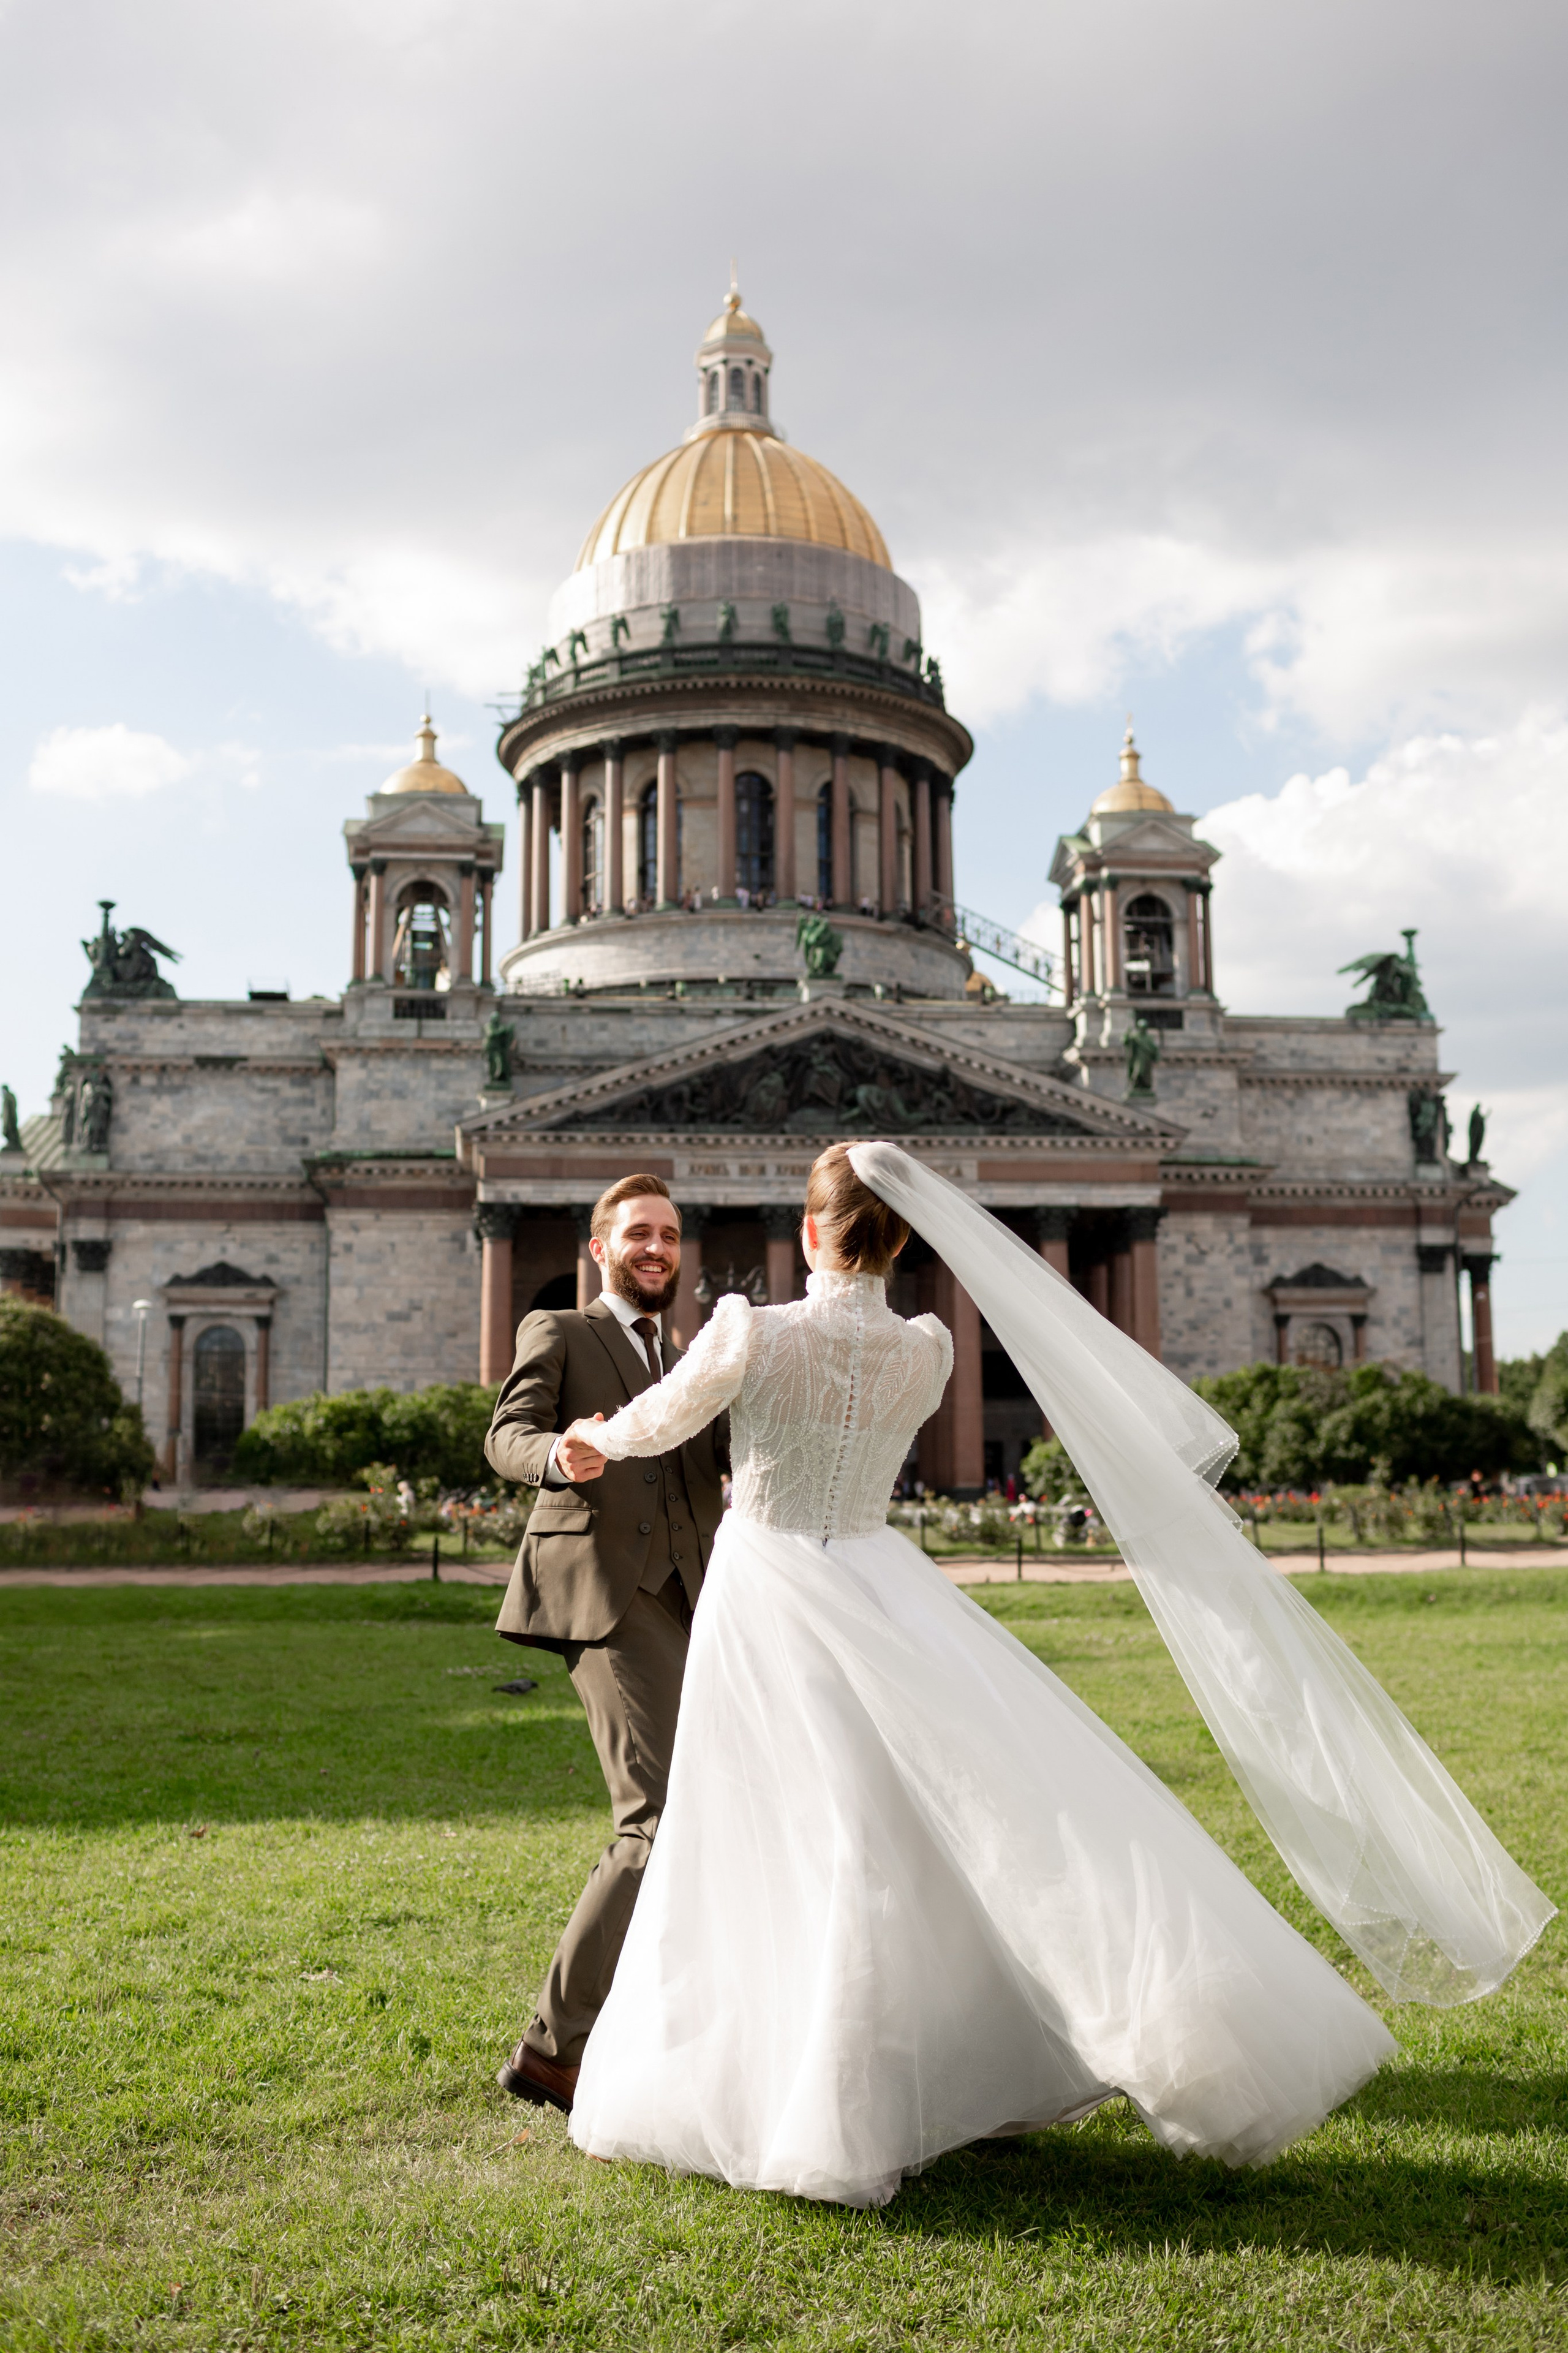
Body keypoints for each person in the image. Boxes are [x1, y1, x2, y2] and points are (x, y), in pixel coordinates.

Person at [550, 1142, 1552, 2208]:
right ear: (901, 1239)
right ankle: (927, 2064)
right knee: (906, 1829)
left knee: (769, 1829)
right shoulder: (929, 1348)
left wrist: (584, 1436)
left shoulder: (750, 1329)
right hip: (881, 1579)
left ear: (807, 1233)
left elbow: (659, 1423)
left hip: (770, 1590)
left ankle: (797, 2091)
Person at [483, 1174, 730, 2117]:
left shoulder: (690, 1358)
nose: (656, 1248)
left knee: (709, 1812)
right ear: (602, 1249)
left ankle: (671, 2024)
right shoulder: (564, 1332)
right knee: (657, 1817)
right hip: (602, 1597)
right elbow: (509, 1434)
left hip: (696, 1598)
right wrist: (558, 1452)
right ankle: (552, 2049)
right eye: (638, 1234)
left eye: (669, 1234)